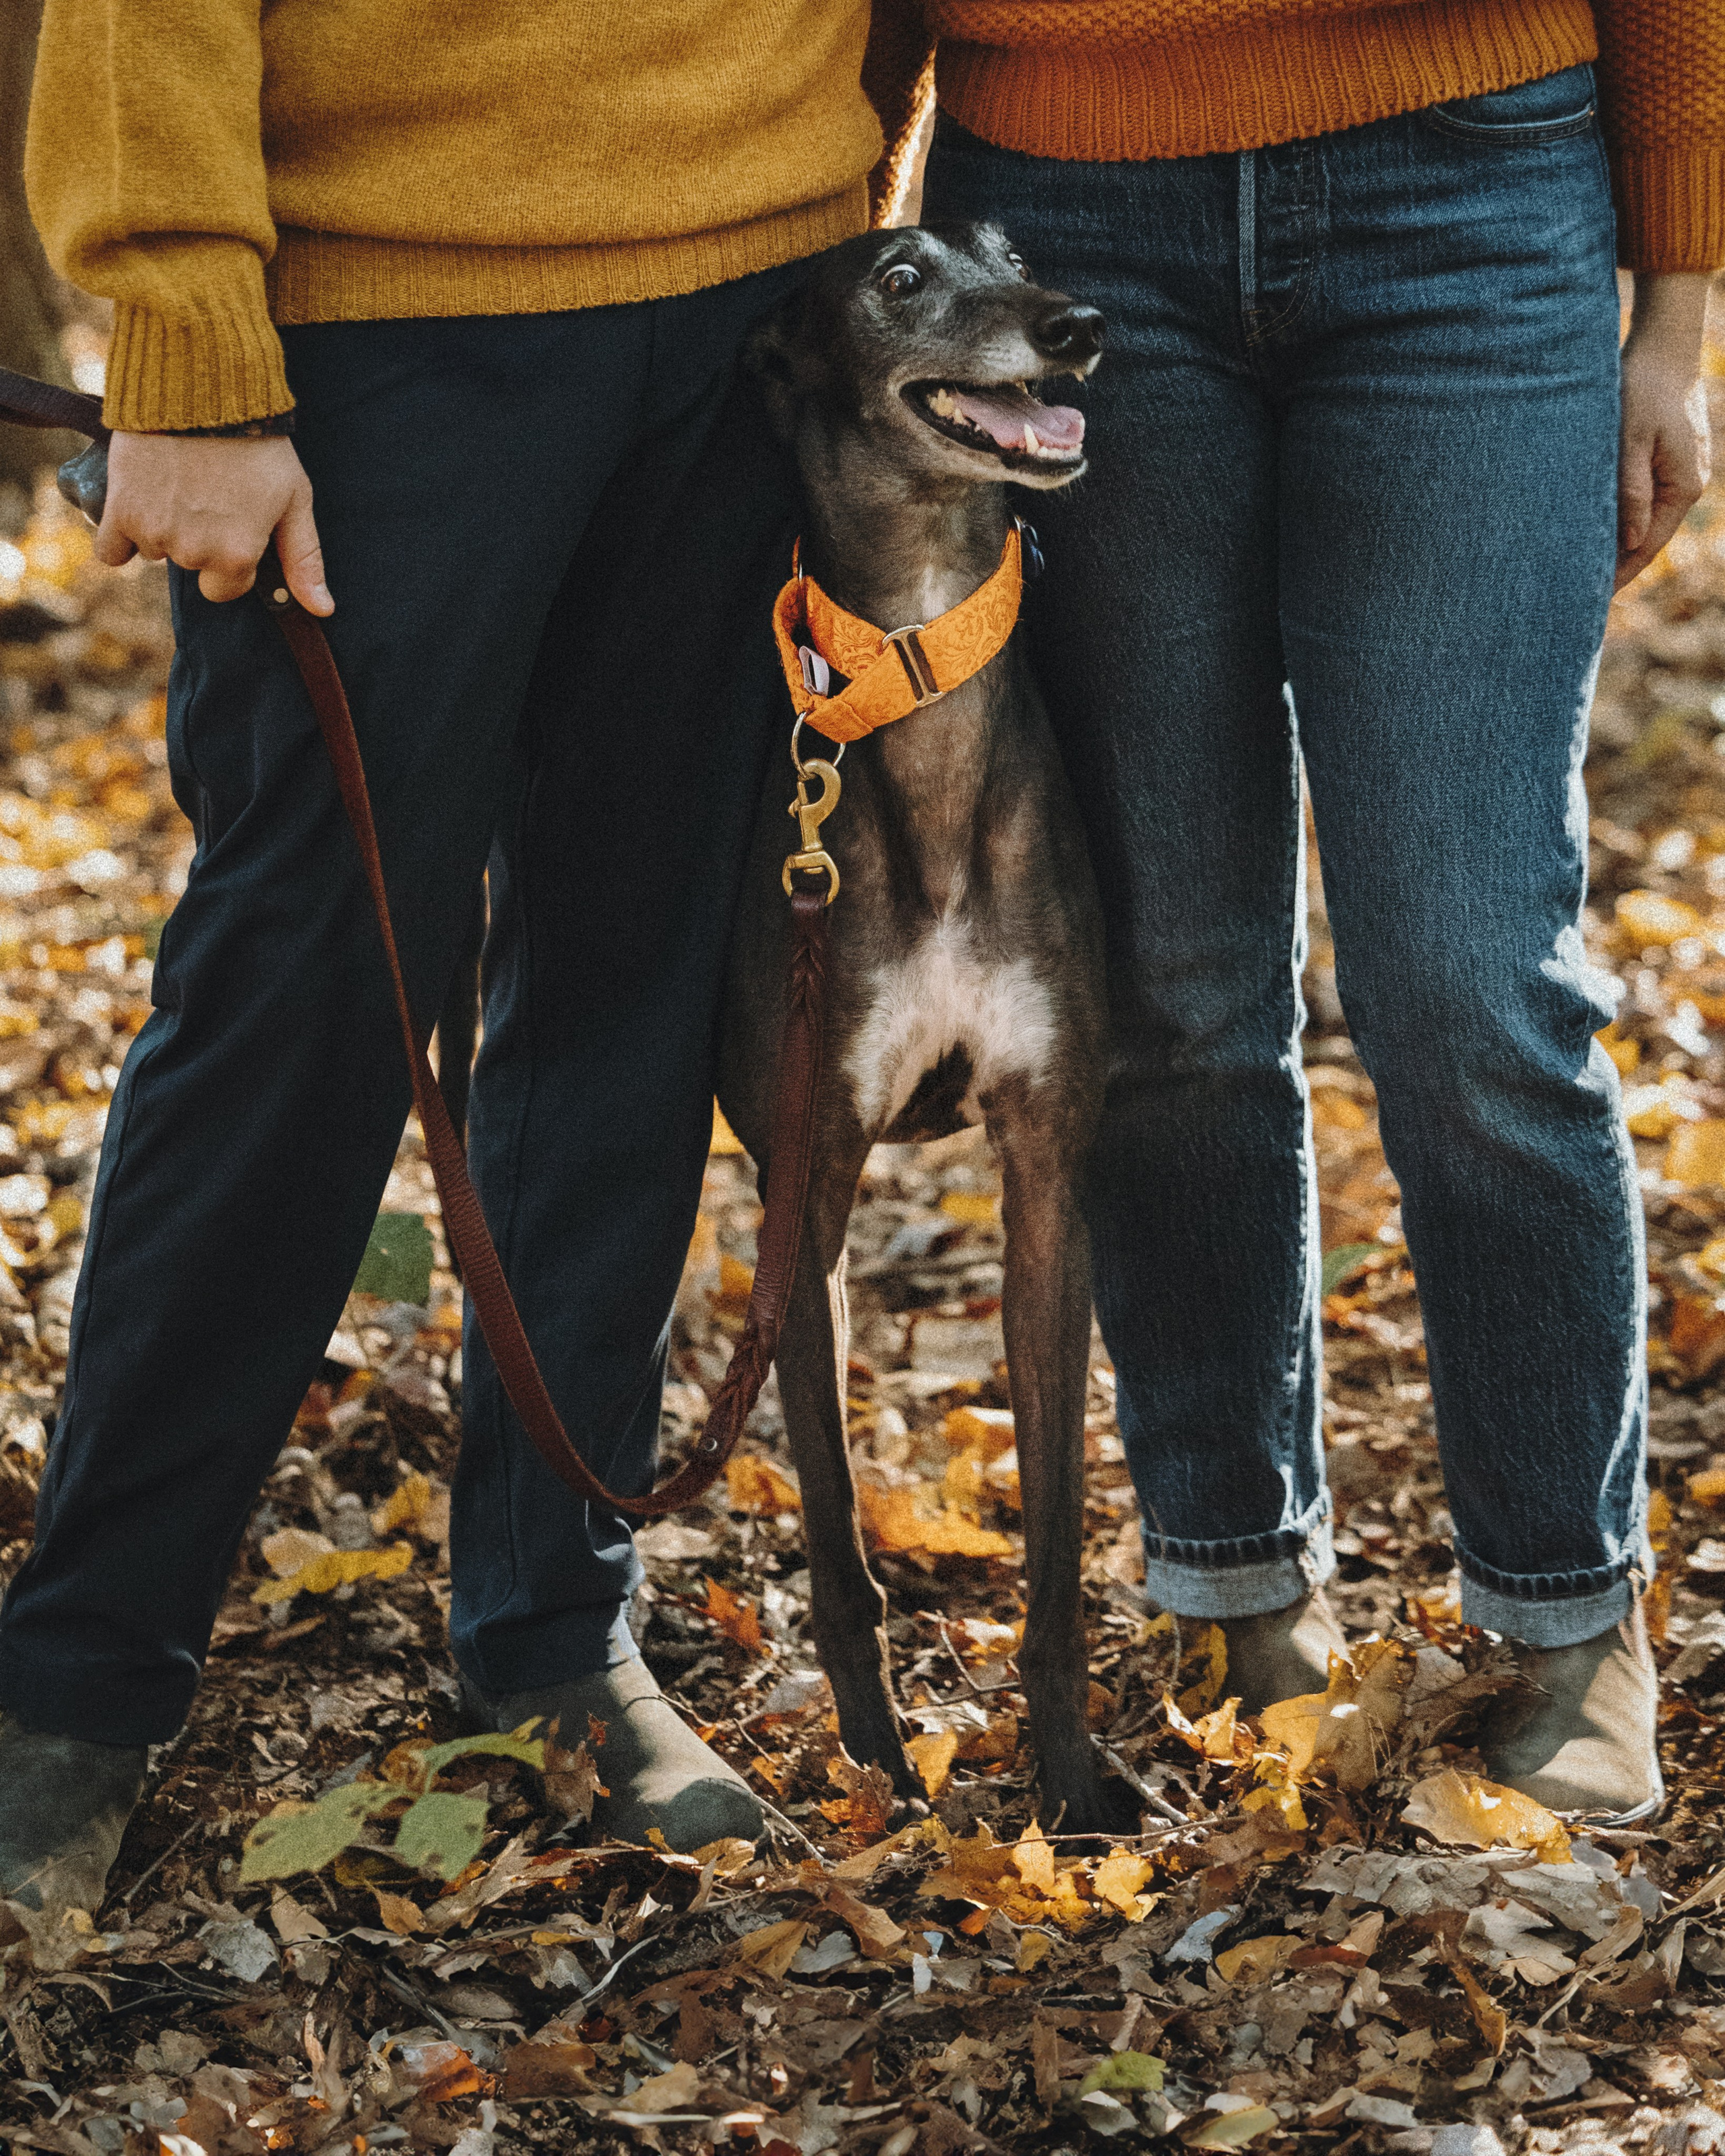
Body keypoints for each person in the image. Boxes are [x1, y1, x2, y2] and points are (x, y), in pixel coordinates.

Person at [0, 1, 932, 1909]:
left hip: (758, 279)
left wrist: (868, 191)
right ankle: (79, 1684)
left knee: (635, 981)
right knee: (304, 996)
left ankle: (550, 1631)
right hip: (383, 319)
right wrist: (186, 340)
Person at [910, 0, 1721, 1817]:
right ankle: (1233, 1579)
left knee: (1469, 970)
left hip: (1475, 185)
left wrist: (1679, 309)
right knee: (1175, 980)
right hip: (1058, 210)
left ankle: (1570, 1619)